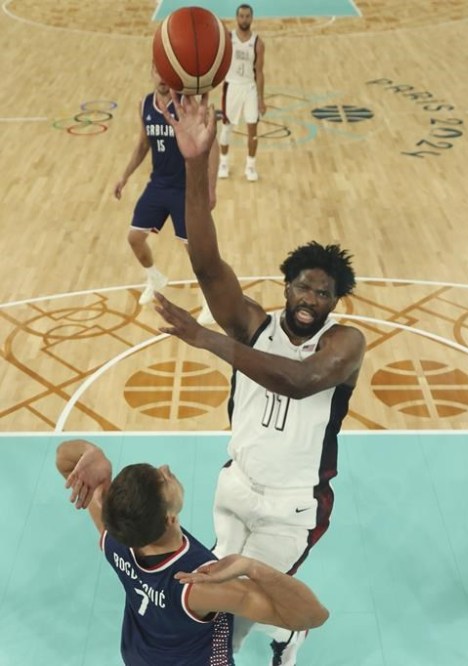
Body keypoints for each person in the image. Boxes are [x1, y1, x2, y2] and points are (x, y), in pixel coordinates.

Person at [155, 93, 365, 666]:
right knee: (217, 600)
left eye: (324, 293)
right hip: (236, 487)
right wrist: (195, 163)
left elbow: (300, 380)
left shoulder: (344, 345)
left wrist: (210, 340)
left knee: (233, 625)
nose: (311, 299)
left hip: (293, 506)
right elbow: (206, 265)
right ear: (286, 286)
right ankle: (287, 628)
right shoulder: (254, 325)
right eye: (303, 286)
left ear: (335, 301)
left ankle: (286, 634)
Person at [55, 438, 329, 666]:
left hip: (139, 658)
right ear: (169, 518)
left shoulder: (116, 537)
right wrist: (251, 567)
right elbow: (313, 616)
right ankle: (287, 641)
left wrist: (92, 452)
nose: (166, 468)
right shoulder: (196, 585)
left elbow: (65, 461)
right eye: (163, 480)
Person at [114, 66, 218, 321]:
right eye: (157, 73)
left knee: (195, 252)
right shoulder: (145, 105)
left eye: (165, 73)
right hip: (159, 185)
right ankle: (155, 278)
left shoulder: (187, 106)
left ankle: (211, 301)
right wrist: (124, 176)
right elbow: (143, 144)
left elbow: (212, 146)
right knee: (134, 238)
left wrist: (210, 187)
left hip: (186, 188)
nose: (161, 79)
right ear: (151, 73)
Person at [218, 3, 266, 182]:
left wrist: (261, 99)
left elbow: (259, 72)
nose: (244, 19)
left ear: (251, 18)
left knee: (252, 128)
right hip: (232, 86)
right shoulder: (228, 38)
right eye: (241, 16)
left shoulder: (258, 43)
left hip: (249, 88)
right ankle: (223, 163)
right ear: (237, 18)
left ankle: (250, 166)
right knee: (227, 127)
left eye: (247, 16)